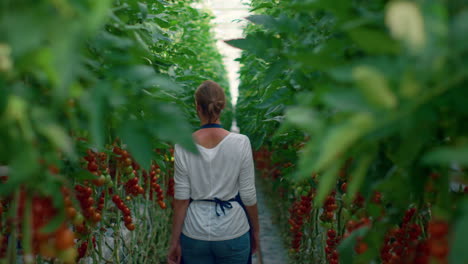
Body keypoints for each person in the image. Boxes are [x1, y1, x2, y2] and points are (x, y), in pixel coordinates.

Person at [167, 80, 260, 264]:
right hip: (233, 230)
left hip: (194, 232)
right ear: (223, 106)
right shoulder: (241, 142)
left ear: (197, 107)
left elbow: (181, 200)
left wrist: (174, 241)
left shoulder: (183, 145)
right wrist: (255, 231)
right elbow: (248, 195)